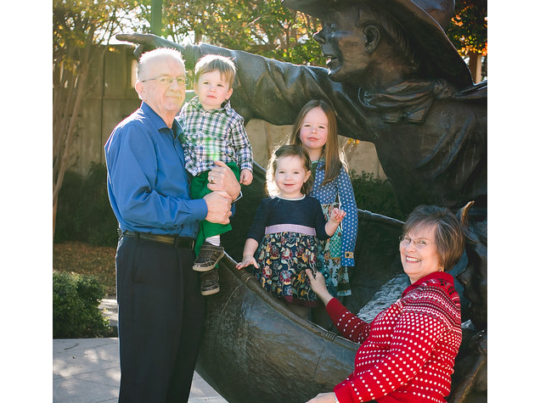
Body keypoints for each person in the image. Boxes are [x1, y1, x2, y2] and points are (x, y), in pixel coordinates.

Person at [116, 0, 486, 216]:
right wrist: (184, 54)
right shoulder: (367, 102)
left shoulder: (475, 117)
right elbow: (276, 80)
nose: (319, 36)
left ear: (371, 38)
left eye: (331, 26)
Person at [104, 48, 241, 403]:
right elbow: (136, 206)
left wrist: (230, 190)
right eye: (164, 79)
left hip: (185, 261)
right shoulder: (135, 132)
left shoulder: (182, 134)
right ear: (141, 88)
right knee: (148, 377)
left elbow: (209, 194)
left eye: (180, 79)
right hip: (148, 258)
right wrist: (201, 207)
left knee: (178, 374)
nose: (175, 86)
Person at [305, 205, 465, 403]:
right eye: (407, 239)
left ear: (444, 252)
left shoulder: (431, 300)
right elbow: (363, 333)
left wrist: (337, 398)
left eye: (422, 242)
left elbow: (403, 364)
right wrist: (324, 293)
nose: (409, 248)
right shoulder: (420, 295)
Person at [236, 145, 346, 319]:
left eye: (295, 172)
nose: (288, 178)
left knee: (301, 314)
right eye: (282, 172)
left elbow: (323, 234)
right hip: (272, 269)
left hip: (301, 271)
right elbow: (255, 233)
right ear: (274, 175)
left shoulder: (312, 204)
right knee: (269, 311)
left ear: (306, 175)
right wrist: (248, 255)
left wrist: (333, 222)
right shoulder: (269, 204)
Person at [179, 54, 253, 296]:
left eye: (219, 85)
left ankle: (213, 248)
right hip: (196, 174)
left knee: (216, 209)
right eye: (207, 83)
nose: (212, 89)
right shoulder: (186, 112)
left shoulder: (232, 119)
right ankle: (209, 272)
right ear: (195, 86)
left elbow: (243, 147)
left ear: (228, 93)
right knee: (201, 217)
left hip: (222, 171)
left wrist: (246, 168)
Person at [286, 100, 358, 301]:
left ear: (330, 132)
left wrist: (347, 252)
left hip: (328, 240)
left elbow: (350, 207)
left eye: (321, 127)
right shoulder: (286, 163)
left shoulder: (335, 167)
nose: (313, 131)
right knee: (296, 295)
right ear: (299, 126)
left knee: (326, 297)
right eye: (308, 125)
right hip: (295, 236)